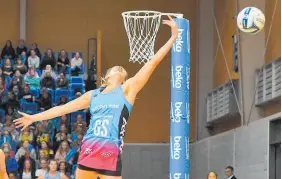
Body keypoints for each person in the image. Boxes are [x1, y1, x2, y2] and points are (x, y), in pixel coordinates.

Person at [14, 16, 177, 179]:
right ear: (107, 76)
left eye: (122, 69)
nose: (119, 68)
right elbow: (63, 109)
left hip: (111, 153)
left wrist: (173, 38)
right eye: (115, 68)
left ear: (124, 78)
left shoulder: (127, 90)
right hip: (89, 150)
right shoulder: (94, 94)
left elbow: (153, 62)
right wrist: (33, 118)